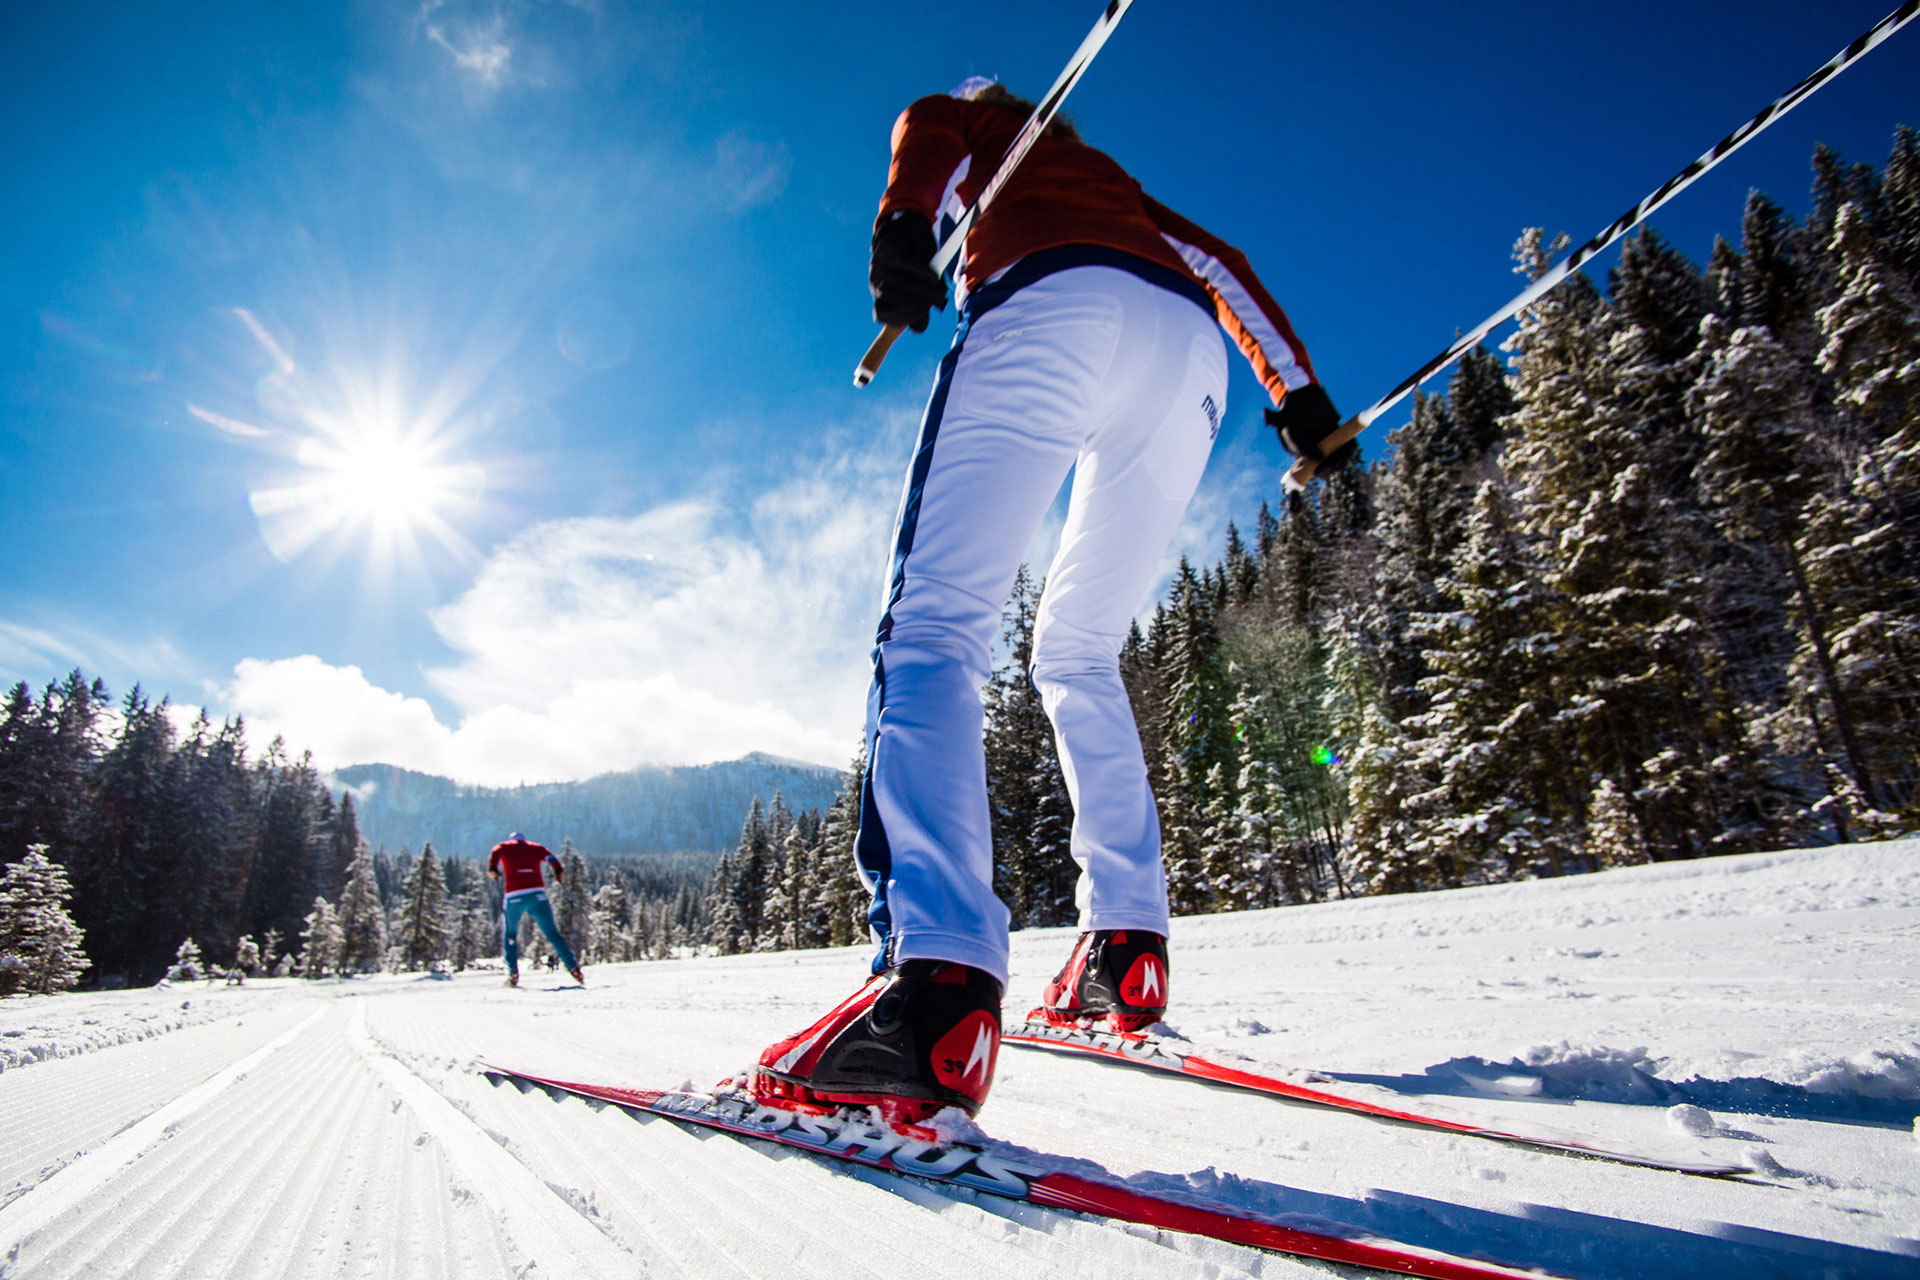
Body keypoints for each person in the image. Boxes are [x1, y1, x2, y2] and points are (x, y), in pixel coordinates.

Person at [750, 79, 1345, 1125]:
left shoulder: (972, 120)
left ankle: (931, 988)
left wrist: (901, 237)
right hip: (1187, 354)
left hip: (1053, 301)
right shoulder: (1112, 178)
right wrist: (1298, 396)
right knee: (1077, 650)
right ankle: (1125, 948)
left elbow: (925, 133)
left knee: (934, 625)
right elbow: (1226, 268)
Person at [487, 832, 584, 987]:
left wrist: (493, 868)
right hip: (537, 896)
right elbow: (551, 859)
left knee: (510, 935)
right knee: (553, 934)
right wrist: (558, 872)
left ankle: (513, 973)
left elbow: (495, 851)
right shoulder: (536, 848)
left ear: (512, 841)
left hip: (515, 896)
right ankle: (573, 968)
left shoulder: (505, 847)